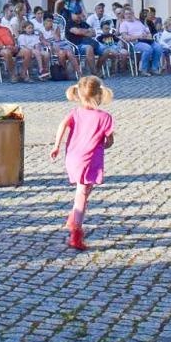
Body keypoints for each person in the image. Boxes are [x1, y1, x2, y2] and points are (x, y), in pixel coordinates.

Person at [49, 76, 114, 252]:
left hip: (73, 158)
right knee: (82, 193)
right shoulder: (105, 117)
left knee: (85, 190)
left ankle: (74, 218)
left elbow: (62, 125)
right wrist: (105, 144)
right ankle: (75, 231)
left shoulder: (75, 113)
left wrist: (56, 146)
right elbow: (109, 141)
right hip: (89, 160)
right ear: (99, 95)